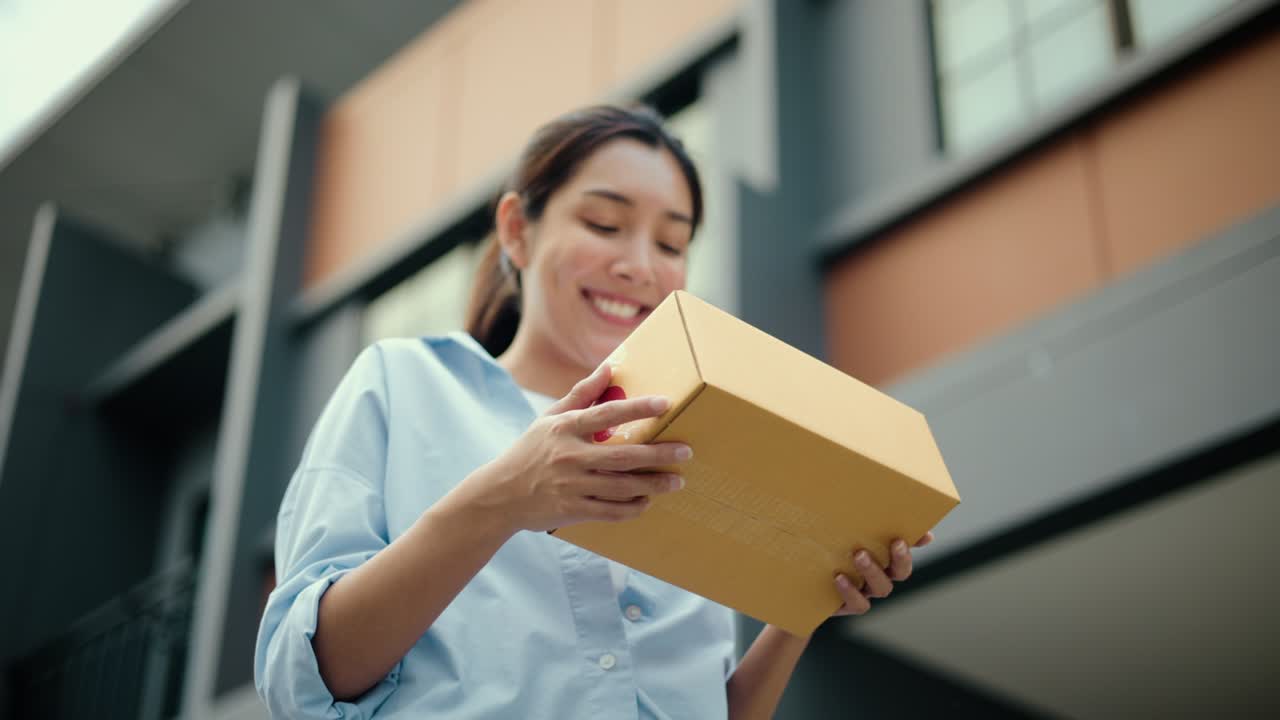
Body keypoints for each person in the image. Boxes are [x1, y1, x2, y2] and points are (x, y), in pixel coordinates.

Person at [254, 105, 933, 719]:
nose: (640, 265)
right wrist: (502, 501)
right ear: (518, 230)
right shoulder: (404, 384)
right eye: (605, 224)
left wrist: (806, 603)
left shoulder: (696, 439)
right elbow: (303, 677)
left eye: (672, 244)